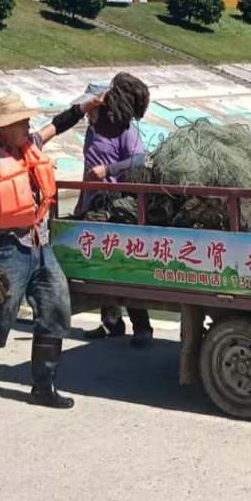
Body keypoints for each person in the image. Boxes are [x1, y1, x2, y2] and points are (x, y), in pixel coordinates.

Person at [0, 90, 105, 408]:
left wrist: (85, 107)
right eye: (20, 122)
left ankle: (43, 387)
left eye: (26, 120)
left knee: (56, 307)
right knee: (2, 316)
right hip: (11, 248)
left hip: (42, 244)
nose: (27, 125)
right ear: (4, 128)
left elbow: (58, 124)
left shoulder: (33, 144)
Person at [74, 74, 153, 346]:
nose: (87, 114)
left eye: (91, 108)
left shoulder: (124, 129)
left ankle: (142, 327)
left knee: (124, 268)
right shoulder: (92, 130)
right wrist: (80, 204)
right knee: (101, 266)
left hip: (117, 208)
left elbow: (139, 158)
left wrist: (108, 171)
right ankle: (111, 323)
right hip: (92, 206)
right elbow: (88, 169)